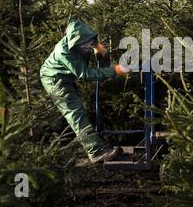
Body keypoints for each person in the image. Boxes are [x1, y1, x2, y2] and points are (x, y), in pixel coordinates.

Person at [39, 19, 128, 164]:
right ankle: (96, 152)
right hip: (53, 79)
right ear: (76, 41)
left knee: (79, 110)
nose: (88, 45)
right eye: (86, 44)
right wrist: (115, 70)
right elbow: (85, 74)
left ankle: (97, 143)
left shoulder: (83, 40)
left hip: (66, 77)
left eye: (89, 41)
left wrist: (99, 50)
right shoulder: (65, 52)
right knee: (75, 113)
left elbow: (94, 51)